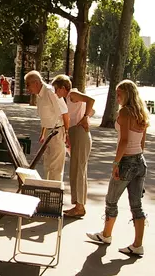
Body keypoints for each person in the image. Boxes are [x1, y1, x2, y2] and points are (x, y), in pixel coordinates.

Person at [86, 80, 149, 256]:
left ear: (127, 94)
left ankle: (106, 235)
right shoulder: (141, 112)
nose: (117, 97)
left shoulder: (125, 112)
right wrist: (136, 156)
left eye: (119, 94)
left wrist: (116, 163)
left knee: (111, 200)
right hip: (140, 161)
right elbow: (142, 142)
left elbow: (123, 141)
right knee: (137, 206)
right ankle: (138, 245)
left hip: (127, 162)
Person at [52, 75, 95, 217]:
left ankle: (80, 206)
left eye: (56, 89)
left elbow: (91, 100)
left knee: (79, 169)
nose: (55, 92)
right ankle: (78, 204)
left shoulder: (72, 94)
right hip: (75, 133)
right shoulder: (67, 99)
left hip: (80, 132)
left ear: (63, 88)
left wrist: (85, 117)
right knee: (75, 169)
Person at [25, 70, 70, 181]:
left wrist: (67, 134)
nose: (27, 88)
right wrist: (43, 134)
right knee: (48, 166)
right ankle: (49, 193)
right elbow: (46, 117)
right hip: (49, 133)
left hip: (57, 132)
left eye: (28, 84)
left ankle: (54, 194)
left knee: (55, 168)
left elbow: (64, 113)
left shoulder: (50, 92)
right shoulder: (39, 95)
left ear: (36, 83)